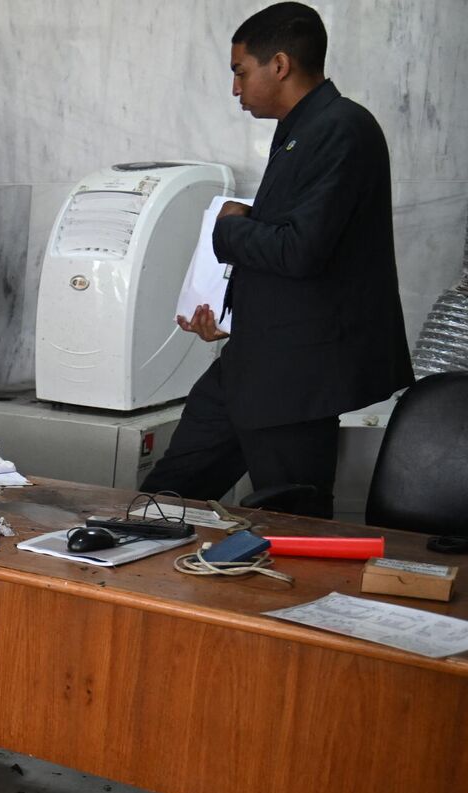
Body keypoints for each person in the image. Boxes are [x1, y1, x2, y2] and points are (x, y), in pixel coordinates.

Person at [144, 2, 411, 518]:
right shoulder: (299, 129)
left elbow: (299, 249)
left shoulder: (342, 128)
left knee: (293, 529)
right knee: (161, 499)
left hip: (296, 381)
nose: (235, 88)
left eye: (240, 72)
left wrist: (229, 229)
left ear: (281, 65)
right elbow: (291, 245)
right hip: (250, 365)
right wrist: (226, 312)